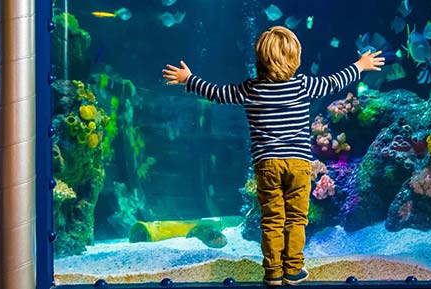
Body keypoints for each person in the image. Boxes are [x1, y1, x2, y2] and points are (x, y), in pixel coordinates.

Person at [162, 26, 384, 286]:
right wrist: (360, 64)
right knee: (297, 218)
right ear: (295, 59)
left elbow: (217, 93)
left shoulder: (251, 88)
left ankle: (273, 273)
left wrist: (189, 79)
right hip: (299, 165)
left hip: (266, 164)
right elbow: (335, 81)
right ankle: (293, 270)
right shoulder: (304, 85)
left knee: (272, 219)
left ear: (260, 60)